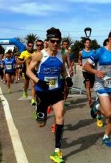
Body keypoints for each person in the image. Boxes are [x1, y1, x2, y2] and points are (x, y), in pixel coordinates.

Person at [26, 27, 73, 163]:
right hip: (42, 92)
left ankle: (57, 151)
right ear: (48, 41)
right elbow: (29, 71)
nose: (55, 44)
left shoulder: (62, 55)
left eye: (57, 41)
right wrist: (38, 81)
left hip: (56, 91)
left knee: (60, 115)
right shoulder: (40, 55)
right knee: (41, 124)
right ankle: (39, 110)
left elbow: (63, 70)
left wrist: (67, 77)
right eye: (52, 41)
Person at [78, 38, 103, 127]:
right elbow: (79, 59)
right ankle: (90, 100)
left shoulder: (94, 51)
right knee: (87, 85)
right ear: (84, 44)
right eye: (87, 42)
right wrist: (80, 62)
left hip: (93, 71)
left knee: (93, 86)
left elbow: (96, 60)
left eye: (89, 42)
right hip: (85, 71)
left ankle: (96, 100)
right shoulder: (81, 52)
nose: (88, 44)